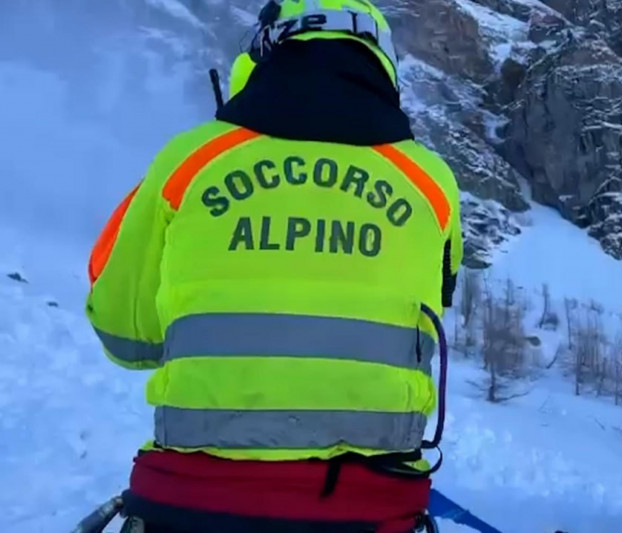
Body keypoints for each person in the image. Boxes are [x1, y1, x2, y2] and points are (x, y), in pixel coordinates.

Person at [85, 0, 463, 531]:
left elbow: (123, 334)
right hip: (372, 507)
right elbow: (425, 324)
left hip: (190, 503)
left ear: (265, 48)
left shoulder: (190, 160)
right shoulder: (433, 184)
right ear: (383, 60)